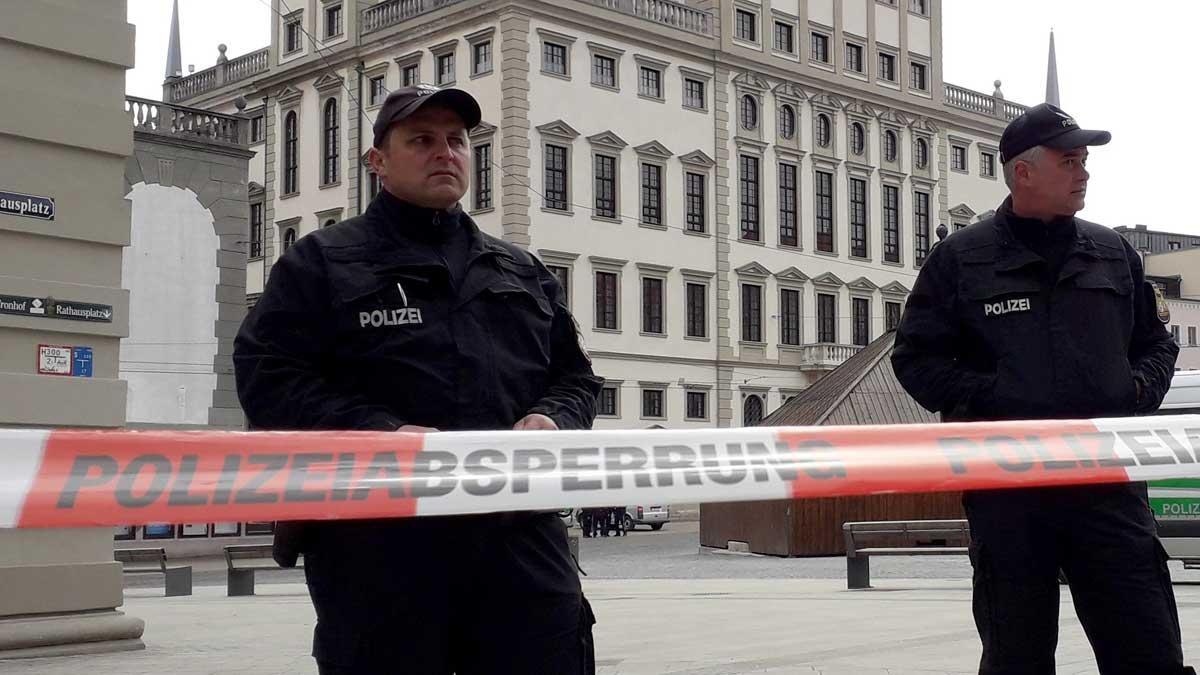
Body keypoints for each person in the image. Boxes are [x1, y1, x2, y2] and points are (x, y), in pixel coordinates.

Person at [233, 84, 602, 674]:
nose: (446, 153)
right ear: (377, 161)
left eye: (456, 140)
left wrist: (553, 416)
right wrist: (380, 432)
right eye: (422, 140)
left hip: (518, 543)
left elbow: (577, 378)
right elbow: (267, 376)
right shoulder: (321, 263)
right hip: (379, 548)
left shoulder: (521, 270)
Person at [891, 103, 1190, 675]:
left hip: (1107, 486)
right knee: (1017, 656)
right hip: (1009, 489)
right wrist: (994, 400)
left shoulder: (1113, 253)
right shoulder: (960, 259)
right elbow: (917, 358)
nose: (1084, 173)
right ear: (1022, 172)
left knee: (1148, 652)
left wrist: (1132, 390)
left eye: (1084, 161)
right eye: (1070, 160)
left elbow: (1157, 343)